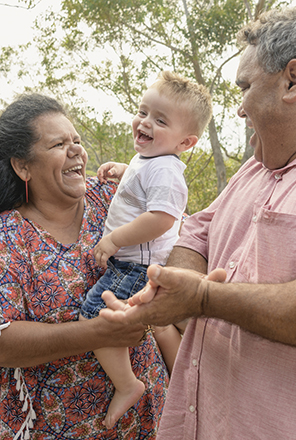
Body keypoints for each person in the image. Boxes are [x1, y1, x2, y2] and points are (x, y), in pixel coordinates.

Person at [100, 5, 296, 440]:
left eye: (245, 86)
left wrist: (206, 300)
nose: (242, 109)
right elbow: (196, 232)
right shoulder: (259, 165)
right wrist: (174, 285)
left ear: (292, 81)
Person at [0, 93, 170, 439]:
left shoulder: (113, 197)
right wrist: (98, 332)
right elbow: (3, 339)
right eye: (59, 144)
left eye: (76, 140)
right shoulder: (8, 236)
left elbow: (179, 231)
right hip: (55, 426)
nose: (76, 149)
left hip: (150, 417)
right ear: (23, 166)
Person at [79, 71, 213, 429]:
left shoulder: (167, 170)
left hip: (135, 265)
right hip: (137, 264)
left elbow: (162, 218)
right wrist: (125, 171)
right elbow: (144, 187)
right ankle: (178, 381)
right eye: (143, 112)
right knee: (159, 323)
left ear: (185, 143)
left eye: (160, 120)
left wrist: (114, 239)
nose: (145, 122)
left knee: (96, 316)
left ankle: (127, 385)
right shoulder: (152, 161)